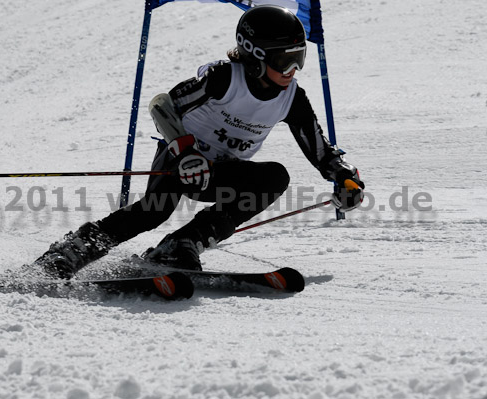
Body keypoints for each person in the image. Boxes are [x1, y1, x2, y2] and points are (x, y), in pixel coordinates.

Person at [33, 5, 365, 278]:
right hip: (179, 161)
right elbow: (163, 105)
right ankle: (68, 253)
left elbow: (319, 148)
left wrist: (343, 176)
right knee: (153, 212)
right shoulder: (223, 78)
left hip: (220, 172)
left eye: (299, 58)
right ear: (254, 54)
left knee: (274, 177)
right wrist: (185, 152)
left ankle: (181, 245)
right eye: (283, 60)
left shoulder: (292, 98)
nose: (292, 69)